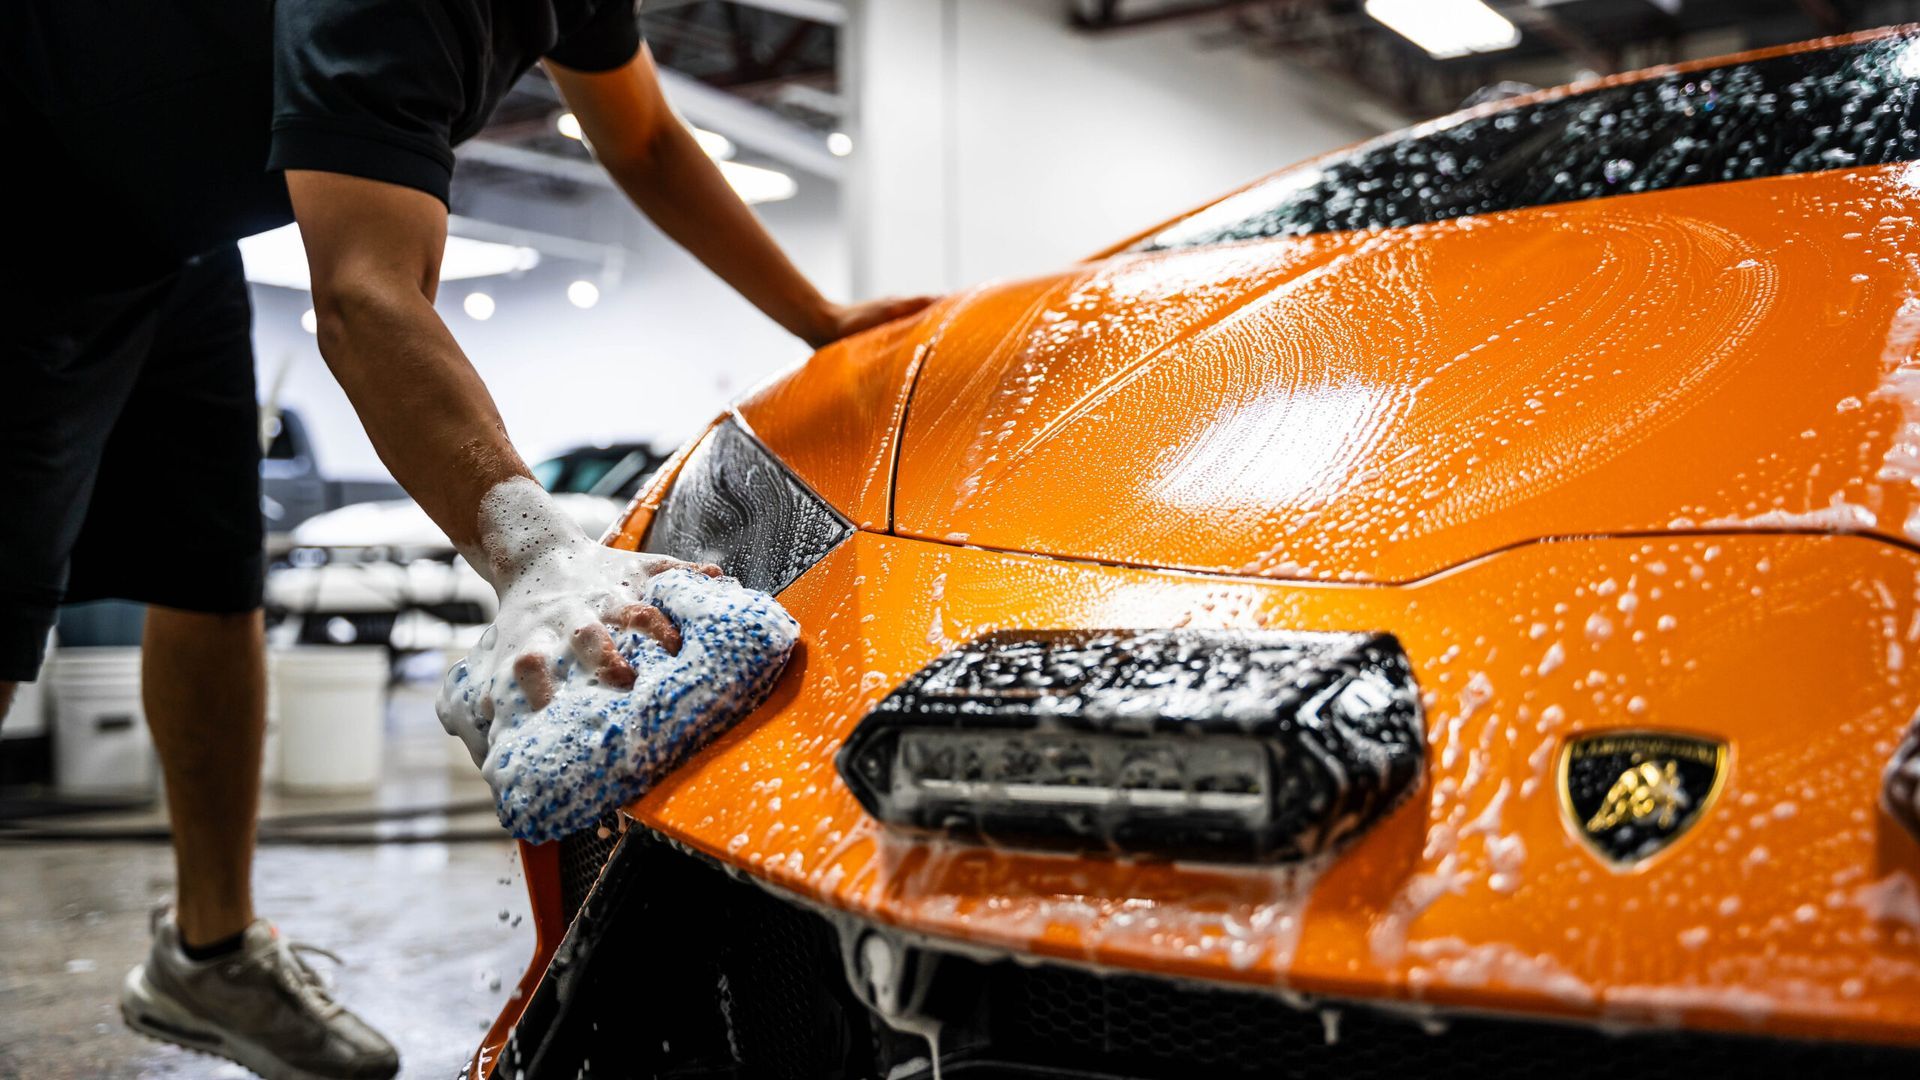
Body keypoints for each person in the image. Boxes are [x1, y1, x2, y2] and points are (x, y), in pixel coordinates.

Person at [0, 2, 929, 1076]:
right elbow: (362, 298)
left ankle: (208, 956)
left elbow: (646, 139)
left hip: (175, 232)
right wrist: (536, 556)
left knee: (213, 579)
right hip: (25, 189)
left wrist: (820, 318)